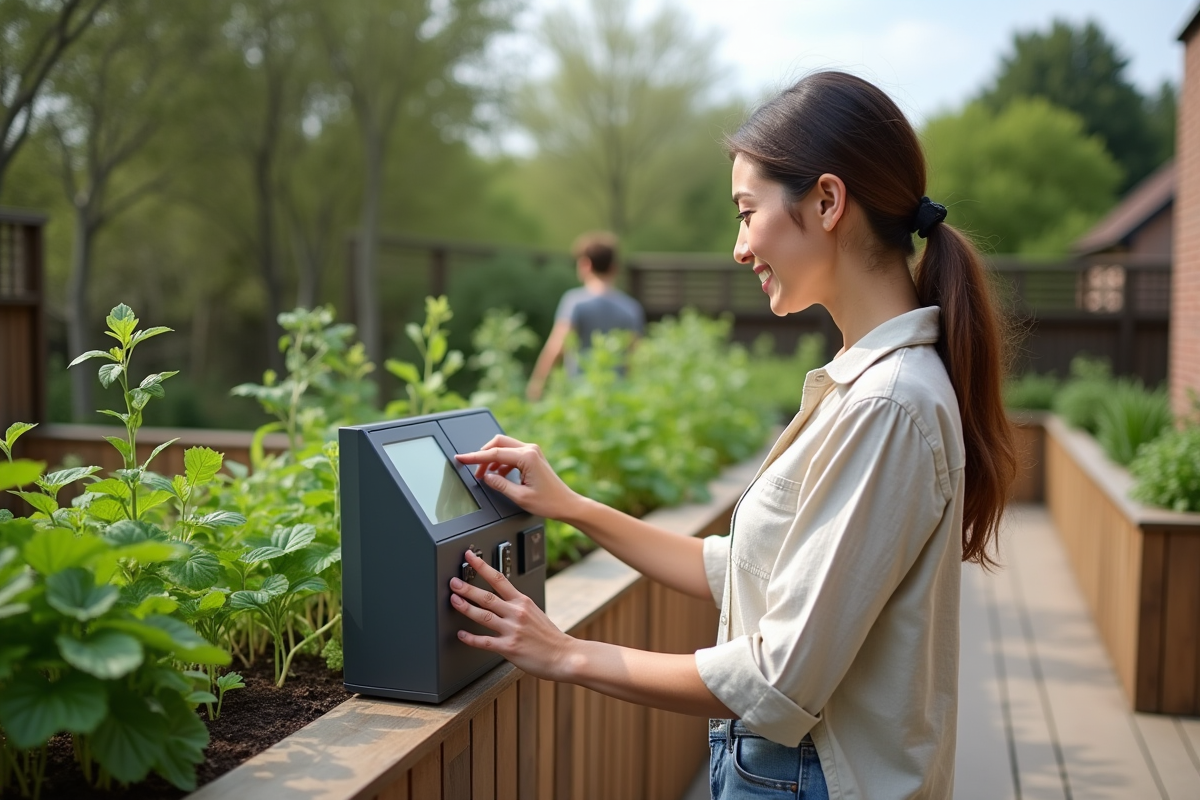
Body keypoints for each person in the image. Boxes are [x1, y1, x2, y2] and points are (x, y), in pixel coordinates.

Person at [450, 71, 1016, 799]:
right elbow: (741, 568)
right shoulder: (868, 383)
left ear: (828, 201)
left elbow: (779, 677)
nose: (739, 246)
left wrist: (565, 654)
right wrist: (572, 505)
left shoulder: (888, 404)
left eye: (747, 212)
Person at [526, 231, 645, 401]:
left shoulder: (575, 302)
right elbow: (635, 357)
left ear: (585, 265)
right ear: (614, 268)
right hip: (618, 397)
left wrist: (537, 385)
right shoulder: (631, 308)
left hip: (581, 396)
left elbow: (557, 347)